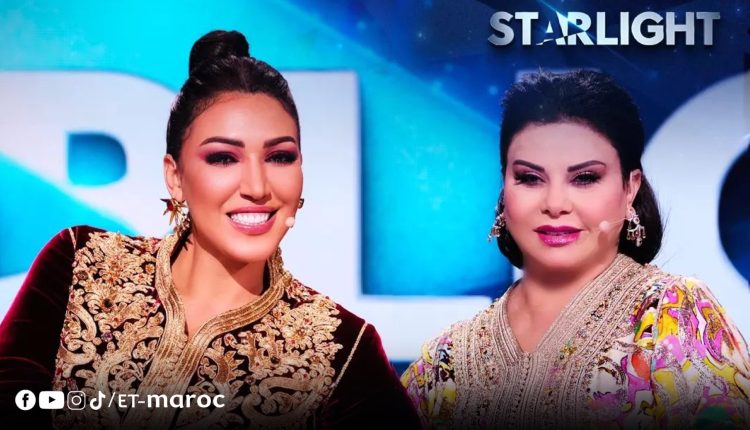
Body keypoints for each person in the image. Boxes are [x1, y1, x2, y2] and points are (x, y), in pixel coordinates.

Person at [0, 30, 421, 430]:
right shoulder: (82, 264)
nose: (257, 187)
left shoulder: (343, 351)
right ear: (175, 177)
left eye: (279, 157)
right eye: (223, 158)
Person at [401, 70, 750, 429]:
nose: (555, 204)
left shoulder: (670, 315)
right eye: (530, 178)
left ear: (630, 187)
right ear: (505, 187)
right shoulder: (444, 359)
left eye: (584, 178)